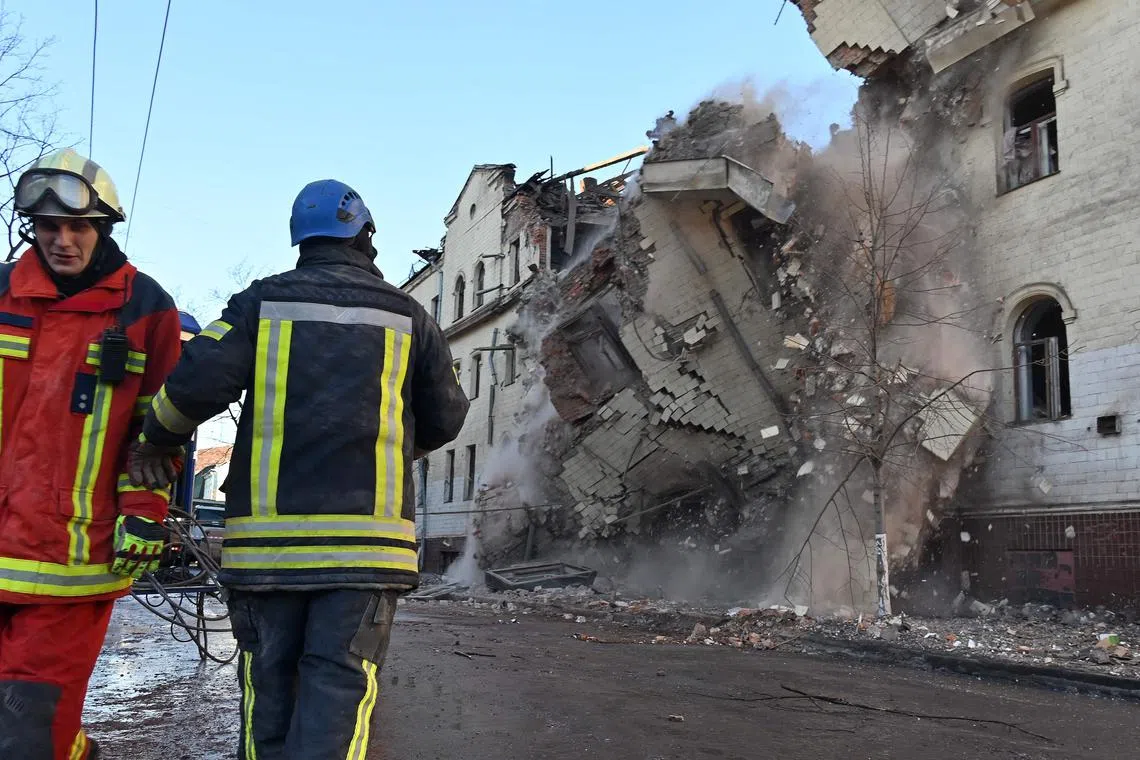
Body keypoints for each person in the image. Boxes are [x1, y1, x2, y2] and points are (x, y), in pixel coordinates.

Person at [130, 179, 469, 759]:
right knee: (339, 690)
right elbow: (448, 418)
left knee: (269, 693)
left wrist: (156, 441)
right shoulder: (411, 316)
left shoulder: (259, 304)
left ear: (300, 240)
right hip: (364, 556)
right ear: (366, 235)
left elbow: (191, 384)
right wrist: (395, 443)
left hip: (269, 553)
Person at [0, 148, 183, 760]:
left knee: (27, 732)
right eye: (49, 227)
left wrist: (144, 512)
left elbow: (157, 430)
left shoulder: (145, 310)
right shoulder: (3, 293)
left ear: (102, 228)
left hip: (71, 561)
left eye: (77, 226)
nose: (62, 240)